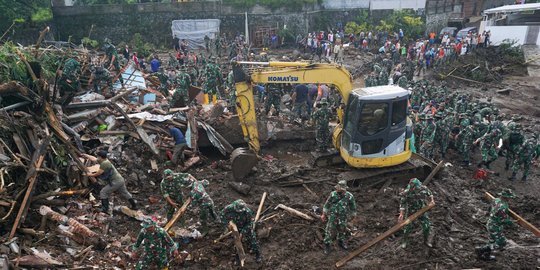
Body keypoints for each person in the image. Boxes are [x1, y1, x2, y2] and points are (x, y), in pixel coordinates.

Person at [475, 189, 515, 261]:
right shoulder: (503, 207)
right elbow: (501, 220)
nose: (510, 199)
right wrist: (510, 222)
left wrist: (489, 214)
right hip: (495, 227)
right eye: (510, 197)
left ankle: (486, 256)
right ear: (506, 197)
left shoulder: (496, 200)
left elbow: (490, 208)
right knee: (502, 243)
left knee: (492, 241)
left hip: (490, 223)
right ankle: (481, 250)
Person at [321, 180, 357, 254]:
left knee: (342, 229)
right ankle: (327, 244)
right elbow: (327, 204)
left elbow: (353, 207)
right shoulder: (333, 194)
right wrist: (324, 214)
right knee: (330, 230)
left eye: (339, 188)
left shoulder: (349, 196)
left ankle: (341, 241)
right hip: (333, 215)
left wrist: (353, 216)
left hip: (343, 216)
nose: (337, 189)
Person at [398, 178, 435, 248]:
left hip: (422, 210)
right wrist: (401, 214)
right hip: (411, 212)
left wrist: (432, 200)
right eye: (416, 188)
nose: (417, 189)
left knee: (427, 226)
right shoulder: (407, 192)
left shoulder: (423, 188)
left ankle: (426, 241)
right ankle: (404, 241)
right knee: (407, 227)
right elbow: (402, 203)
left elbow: (430, 193)